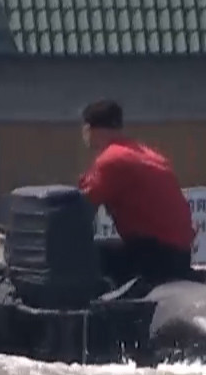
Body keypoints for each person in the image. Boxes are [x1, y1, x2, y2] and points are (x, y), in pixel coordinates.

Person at [77, 99, 198, 284]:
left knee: (78, 257)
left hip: (155, 256)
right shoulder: (144, 153)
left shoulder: (111, 160)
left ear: (91, 129)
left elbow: (81, 205)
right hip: (179, 253)